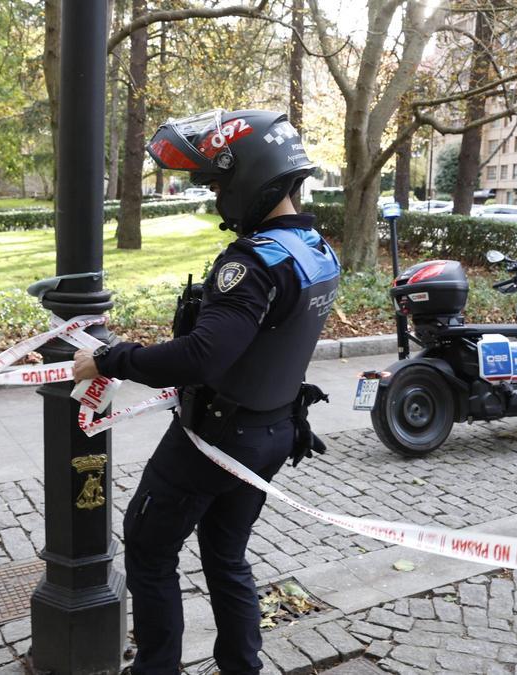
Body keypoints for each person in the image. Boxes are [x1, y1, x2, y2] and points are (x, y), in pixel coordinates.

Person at [72, 109, 339, 674]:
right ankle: (243, 667)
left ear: (249, 176)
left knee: (148, 551)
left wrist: (106, 358)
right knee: (226, 556)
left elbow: (201, 356)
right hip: (270, 432)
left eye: (218, 182)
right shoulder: (315, 249)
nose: (217, 195)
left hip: (213, 441)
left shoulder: (254, 262)